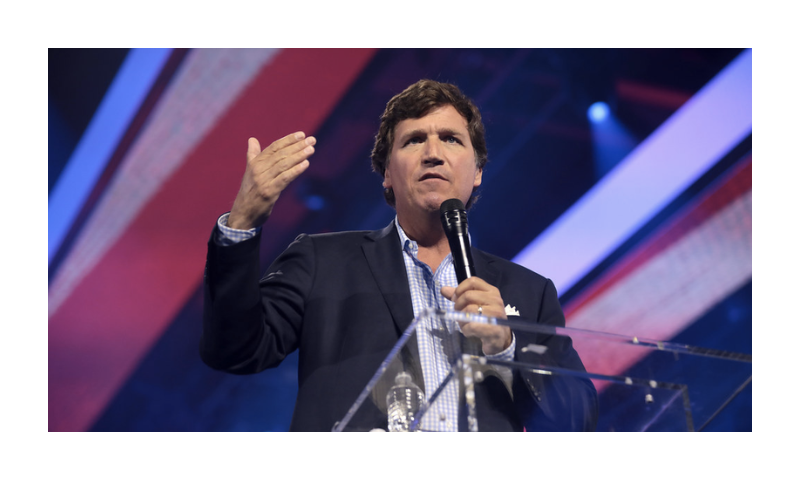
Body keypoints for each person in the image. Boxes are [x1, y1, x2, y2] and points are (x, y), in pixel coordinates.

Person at [201, 79, 598, 431]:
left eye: (451, 139)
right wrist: (241, 224)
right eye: (413, 141)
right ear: (387, 173)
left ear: (477, 171)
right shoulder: (323, 260)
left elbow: (577, 419)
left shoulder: (529, 292)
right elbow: (234, 349)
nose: (433, 153)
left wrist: (505, 345)